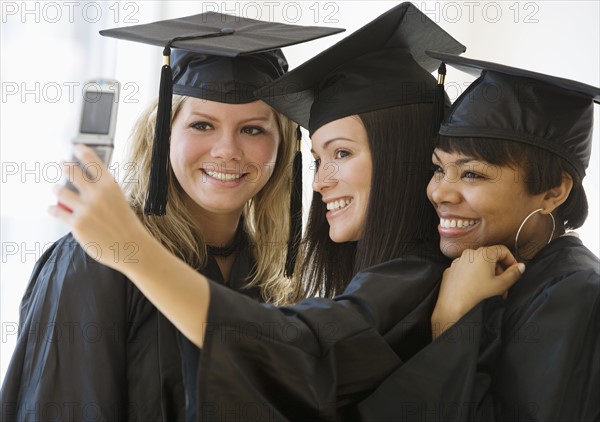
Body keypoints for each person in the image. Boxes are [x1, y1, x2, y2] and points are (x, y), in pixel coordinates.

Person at [0, 12, 341, 422]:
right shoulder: (100, 256)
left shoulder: (271, 277)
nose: (227, 151)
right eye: (202, 124)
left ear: (283, 147)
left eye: (253, 129)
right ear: (163, 133)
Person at [354, 52, 600, 421]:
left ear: (553, 191)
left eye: (472, 174)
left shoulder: (577, 294)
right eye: (439, 168)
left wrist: (452, 327)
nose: (440, 193)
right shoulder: (474, 270)